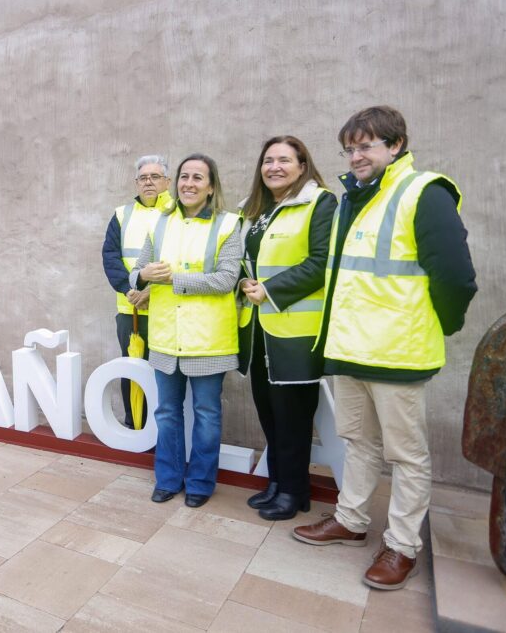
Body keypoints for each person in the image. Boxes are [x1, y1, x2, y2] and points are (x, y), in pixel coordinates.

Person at [293, 106, 477, 590]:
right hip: (351, 350)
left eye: (366, 145)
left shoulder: (424, 192)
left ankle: (400, 547)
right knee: (360, 444)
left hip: (398, 354)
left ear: (395, 145)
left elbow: (456, 278)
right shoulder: (356, 198)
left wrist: (438, 326)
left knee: (407, 456)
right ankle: (351, 521)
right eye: (349, 148)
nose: (355, 156)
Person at [130, 154, 241, 507]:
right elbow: (137, 270)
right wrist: (144, 277)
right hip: (165, 337)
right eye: (183, 177)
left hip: (208, 340)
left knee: (207, 415)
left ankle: (200, 484)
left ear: (211, 186)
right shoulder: (160, 222)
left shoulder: (229, 224)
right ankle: (168, 479)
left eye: (198, 178)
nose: (189, 183)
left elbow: (226, 279)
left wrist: (174, 279)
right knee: (166, 412)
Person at [237, 136, 337, 521]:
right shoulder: (256, 210)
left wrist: (271, 289)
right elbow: (251, 261)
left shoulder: (319, 202)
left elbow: (321, 261)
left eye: (283, 160)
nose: (274, 167)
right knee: (269, 413)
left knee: (293, 417)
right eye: (267, 160)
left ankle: (295, 491)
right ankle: (279, 484)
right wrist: (246, 283)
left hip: (296, 333)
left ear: (302, 165)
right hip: (260, 330)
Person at [101, 155, 172, 428]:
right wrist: (129, 288)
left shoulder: (177, 213)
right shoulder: (122, 214)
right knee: (132, 371)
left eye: (155, 177)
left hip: (167, 309)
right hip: (129, 309)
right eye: (143, 178)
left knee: (165, 375)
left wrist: (151, 292)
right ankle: (135, 426)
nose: (149, 182)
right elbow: (111, 256)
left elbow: (180, 260)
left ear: (167, 181)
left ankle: (161, 432)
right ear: (136, 183)